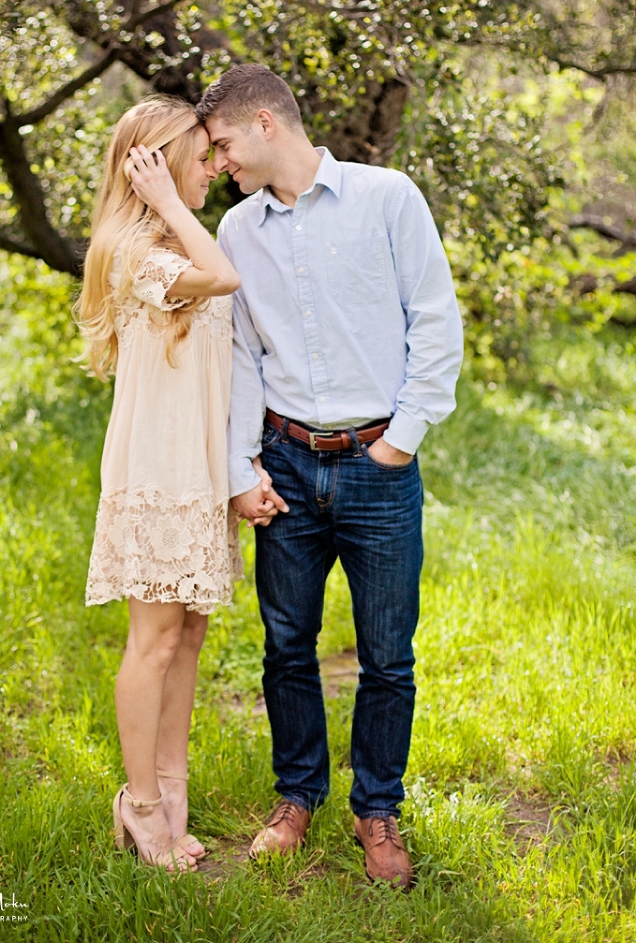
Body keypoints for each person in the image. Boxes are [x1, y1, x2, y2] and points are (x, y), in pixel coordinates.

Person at [196, 64, 464, 888]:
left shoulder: (388, 197)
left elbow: (435, 318)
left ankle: (376, 808)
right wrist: (242, 465)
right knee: (286, 647)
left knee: (388, 656)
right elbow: (242, 354)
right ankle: (297, 795)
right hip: (282, 464)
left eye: (224, 144)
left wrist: (402, 441)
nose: (219, 163)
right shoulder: (238, 231)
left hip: (378, 463)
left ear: (267, 125)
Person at [76, 96, 249, 872]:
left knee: (190, 633)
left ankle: (172, 787)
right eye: (201, 155)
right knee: (152, 643)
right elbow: (223, 277)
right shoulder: (137, 250)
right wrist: (172, 204)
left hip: (200, 470)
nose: (215, 167)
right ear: (157, 166)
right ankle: (140, 804)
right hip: (157, 471)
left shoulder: (172, 234)